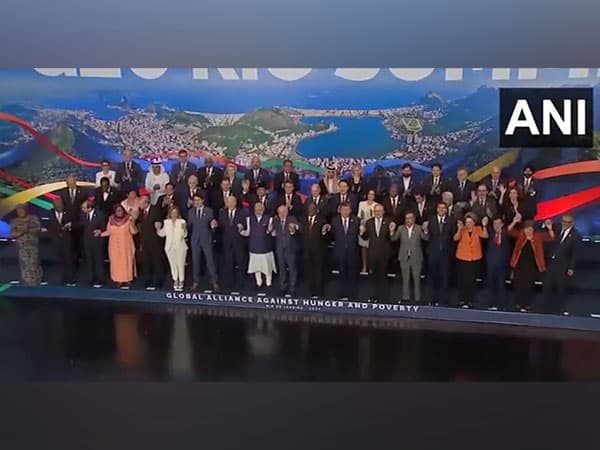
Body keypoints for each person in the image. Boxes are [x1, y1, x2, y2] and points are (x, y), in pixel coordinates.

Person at [508, 216, 555, 312]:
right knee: (519, 284)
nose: (528, 231)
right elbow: (509, 231)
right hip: (519, 265)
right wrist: (514, 221)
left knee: (528, 285)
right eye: (527, 229)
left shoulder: (538, 236)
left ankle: (527, 305)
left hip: (531, 266)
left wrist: (550, 228)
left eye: (530, 229)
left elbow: (551, 237)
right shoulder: (521, 235)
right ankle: (519, 304)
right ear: (524, 229)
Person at [543, 213, 581, 314]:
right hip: (551, 263)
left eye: (566, 222)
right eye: (563, 221)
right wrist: (548, 227)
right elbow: (546, 230)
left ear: (571, 223)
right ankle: (544, 308)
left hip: (563, 265)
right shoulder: (557, 228)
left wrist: (571, 267)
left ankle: (560, 309)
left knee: (560, 287)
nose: (563, 223)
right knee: (546, 285)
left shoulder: (576, 235)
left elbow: (575, 253)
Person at [322, 203, 360, 300]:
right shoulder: (334, 221)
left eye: (347, 210)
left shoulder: (356, 220)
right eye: (343, 210)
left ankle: (352, 295)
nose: (345, 212)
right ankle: (342, 294)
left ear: (350, 210)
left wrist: (363, 231)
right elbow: (330, 237)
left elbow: (362, 236)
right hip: (340, 252)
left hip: (352, 252)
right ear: (340, 210)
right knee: (342, 274)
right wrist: (325, 231)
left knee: (352, 275)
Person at [391, 211, 429, 304]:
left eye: (410, 218)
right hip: (404, 257)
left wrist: (426, 230)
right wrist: (392, 231)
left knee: (416, 279)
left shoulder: (419, 228)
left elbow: (426, 238)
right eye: (406, 218)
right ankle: (405, 298)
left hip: (416, 257)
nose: (408, 220)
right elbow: (394, 239)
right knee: (405, 278)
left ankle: (417, 299)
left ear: (413, 219)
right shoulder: (400, 228)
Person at [453, 213, 489, 308]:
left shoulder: (478, 229)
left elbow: (485, 236)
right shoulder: (463, 229)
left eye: (470, 222)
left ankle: (469, 300)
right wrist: (459, 229)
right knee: (462, 280)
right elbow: (455, 238)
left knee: (471, 281)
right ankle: (462, 299)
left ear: (474, 222)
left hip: (474, 259)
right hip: (462, 258)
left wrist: (484, 226)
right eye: (467, 222)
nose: (468, 223)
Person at [360, 204, 393, 302]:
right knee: (373, 277)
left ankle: (384, 298)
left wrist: (392, 232)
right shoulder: (369, 222)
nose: (377, 213)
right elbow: (365, 237)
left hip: (384, 254)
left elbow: (391, 239)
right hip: (372, 254)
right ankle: (373, 296)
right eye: (376, 211)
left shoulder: (388, 222)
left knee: (383, 277)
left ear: (383, 212)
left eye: (379, 211)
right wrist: (362, 232)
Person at [426, 202, 456, 306]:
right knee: (433, 277)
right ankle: (432, 299)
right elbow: (427, 236)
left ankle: (444, 301)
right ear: (437, 209)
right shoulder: (431, 220)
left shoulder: (451, 220)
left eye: (444, 208)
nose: (441, 210)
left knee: (445, 278)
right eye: (440, 208)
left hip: (446, 254)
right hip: (433, 253)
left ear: (446, 210)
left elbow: (454, 237)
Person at [240, 202, 277, 289]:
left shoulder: (270, 219)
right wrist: (241, 231)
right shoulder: (249, 219)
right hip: (254, 248)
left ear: (263, 209)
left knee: (267, 267)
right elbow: (248, 233)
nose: (258, 211)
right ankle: (259, 282)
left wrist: (271, 230)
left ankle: (268, 282)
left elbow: (274, 234)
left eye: (260, 209)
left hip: (266, 248)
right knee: (256, 267)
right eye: (256, 209)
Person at [187, 193, 219, 292]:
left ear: (202, 200)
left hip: (206, 239)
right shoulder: (191, 212)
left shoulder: (209, 211)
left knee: (210, 261)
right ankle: (196, 281)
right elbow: (189, 226)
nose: (196, 202)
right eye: (195, 200)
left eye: (198, 200)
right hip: (195, 239)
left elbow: (212, 224)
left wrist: (214, 226)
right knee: (195, 261)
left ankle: (214, 282)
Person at [101, 204, 138, 289]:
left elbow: (134, 232)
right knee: (116, 262)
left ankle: (128, 279)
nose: (119, 212)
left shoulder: (128, 219)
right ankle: (118, 280)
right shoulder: (111, 219)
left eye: (121, 210)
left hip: (126, 244)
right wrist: (100, 234)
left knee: (126, 260)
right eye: (117, 211)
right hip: (114, 245)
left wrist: (132, 222)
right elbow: (108, 232)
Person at [217, 195, 248, 291]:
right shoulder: (222, 212)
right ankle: (230, 283)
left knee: (240, 263)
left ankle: (241, 283)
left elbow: (245, 224)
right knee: (229, 263)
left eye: (232, 202)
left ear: (235, 202)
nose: (230, 204)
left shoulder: (242, 212)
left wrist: (242, 227)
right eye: (229, 202)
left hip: (238, 241)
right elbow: (221, 226)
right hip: (227, 242)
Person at [136, 194, 166, 290]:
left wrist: (159, 224)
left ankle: (159, 281)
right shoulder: (141, 212)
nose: (139, 205)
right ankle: (147, 280)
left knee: (157, 261)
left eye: (140, 203)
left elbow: (159, 221)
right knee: (146, 261)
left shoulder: (155, 209)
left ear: (146, 202)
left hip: (155, 241)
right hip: (145, 240)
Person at [156, 206, 188, 292]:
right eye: (172, 212)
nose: (174, 214)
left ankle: (181, 281)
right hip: (169, 247)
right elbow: (162, 234)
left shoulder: (182, 222)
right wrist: (158, 228)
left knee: (180, 264)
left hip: (180, 247)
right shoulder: (166, 222)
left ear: (178, 213)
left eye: (175, 212)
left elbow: (185, 235)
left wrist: (184, 229)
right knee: (173, 265)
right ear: (170, 213)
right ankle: (175, 280)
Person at [10, 205, 43, 285]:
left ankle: (37, 281)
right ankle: (26, 282)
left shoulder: (33, 219)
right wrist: (23, 231)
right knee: (25, 265)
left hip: (33, 245)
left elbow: (38, 229)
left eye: (22, 210)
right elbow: (13, 234)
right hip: (22, 247)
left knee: (34, 263)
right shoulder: (14, 221)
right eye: (19, 210)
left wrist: (29, 229)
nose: (21, 212)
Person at [271, 204, 301, 295]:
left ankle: (292, 287)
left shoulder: (292, 219)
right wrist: (271, 231)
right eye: (280, 213)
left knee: (292, 268)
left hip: (290, 248)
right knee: (282, 268)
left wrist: (294, 228)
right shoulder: (276, 220)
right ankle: (282, 286)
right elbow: (273, 231)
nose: (282, 214)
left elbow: (298, 227)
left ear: (287, 212)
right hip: (280, 248)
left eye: (284, 212)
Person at [47, 197, 75, 285]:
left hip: (67, 240)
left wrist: (70, 225)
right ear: (54, 206)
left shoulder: (69, 212)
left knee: (69, 260)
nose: (60, 206)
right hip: (56, 240)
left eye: (61, 204)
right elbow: (47, 225)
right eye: (57, 205)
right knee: (59, 260)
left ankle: (70, 279)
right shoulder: (50, 213)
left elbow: (76, 223)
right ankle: (62, 278)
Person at [79, 199, 107, 288]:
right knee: (89, 260)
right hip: (87, 241)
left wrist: (100, 230)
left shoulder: (100, 215)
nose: (82, 209)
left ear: (89, 208)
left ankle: (100, 279)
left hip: (97, 241)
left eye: (84, 208)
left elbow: (104, 226)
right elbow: (81, 224)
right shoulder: (82, 214)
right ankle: (91, 278)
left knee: (98, 260)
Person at [486, 216, 511, 311]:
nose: (496, 226)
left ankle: (502, 306)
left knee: (501, 286)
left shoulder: (506, 234)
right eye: (494, 224)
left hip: (502, 265)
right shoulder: (491, 234)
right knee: (491, 285)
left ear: (502, 224)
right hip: (491, 264)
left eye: (498, 223)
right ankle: (491, 304)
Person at [302, 202, 328, 298]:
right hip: (306, 251)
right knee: (309, 272)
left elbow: (326, 233)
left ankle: (319, 292)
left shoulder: (322, 220)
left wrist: (325, 229)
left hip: (318, 251)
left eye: (313, 209)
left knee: (318, 272)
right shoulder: (303, 220)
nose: (310, 211)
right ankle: (310, 292)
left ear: (316, 210)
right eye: (309, 209)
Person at [357, 189, 380, 273]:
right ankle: (364, 266)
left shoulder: (377, 205)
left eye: (372, 194)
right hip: (363, 226)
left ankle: (371, 267)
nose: (370, 196)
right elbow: (359, 216)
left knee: (371, 248)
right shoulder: (361, 204)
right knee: (363, 248)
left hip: (372, 227)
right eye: (369, 194)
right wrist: (362, 226)